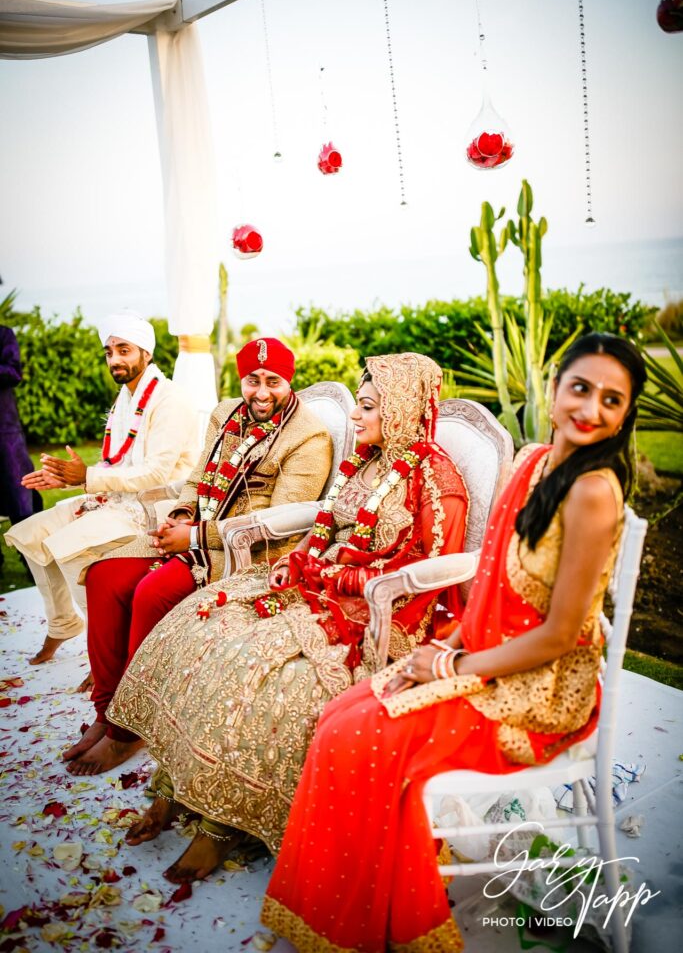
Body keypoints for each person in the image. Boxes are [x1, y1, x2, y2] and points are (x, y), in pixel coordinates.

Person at [261, 332, 647, 953]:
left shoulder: (594, 492)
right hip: (482, 655)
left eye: (612, 399)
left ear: (624, 415)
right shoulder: (535, 462)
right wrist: (446, 652)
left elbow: (555, 636)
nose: (592, 408)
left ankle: (387, 927)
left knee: (357, 736)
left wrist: (452, 663)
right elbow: (494, 578)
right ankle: (357, 914)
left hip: (537, 691)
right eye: (582, 388)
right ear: (554, 392)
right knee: (337, 714)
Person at [108, 352, 470, 885]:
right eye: (359, 406)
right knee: (203, 627)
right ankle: (175, 786)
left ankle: (221, 824)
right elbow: (329, 523)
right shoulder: (370, 462)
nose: (356, 419)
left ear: (399, 410)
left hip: (377, 617)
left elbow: (429, 576)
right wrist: (302, 559)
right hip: (316, 585)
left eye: (368, 407)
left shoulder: (437, 481)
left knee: (259, 670)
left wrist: (341, 582)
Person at [64, 336, 334, 775]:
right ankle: (107, 708)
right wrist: (181, 512)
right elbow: (198, 475)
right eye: (252, 380)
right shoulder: (224, 413)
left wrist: (194, 536)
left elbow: (282, 522)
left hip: (242, 553)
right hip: (193, 528)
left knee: (152, 592)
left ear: (290, 381)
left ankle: (128, 732)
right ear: (241, 379)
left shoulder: (310, 436)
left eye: (273, 381)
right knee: (104, 576)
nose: (261, 392)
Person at [5, 311, 199, 673]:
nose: (114, 360)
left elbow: (156, 471)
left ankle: (104, 657)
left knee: (65, 547)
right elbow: (117, 460)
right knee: (27, 534)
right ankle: (64, 624)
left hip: (156, 505)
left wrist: (88, 477)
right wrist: (68, 478)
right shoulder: (126, 399)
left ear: (146, 352)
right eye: (109, 351)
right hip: (116, 498)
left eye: (123, 349)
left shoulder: (169, 400)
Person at [0, 323, 43, 571]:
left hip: (4, 430)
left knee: (22, 496)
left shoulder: (4, 334)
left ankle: (33, 564)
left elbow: (13, 373)